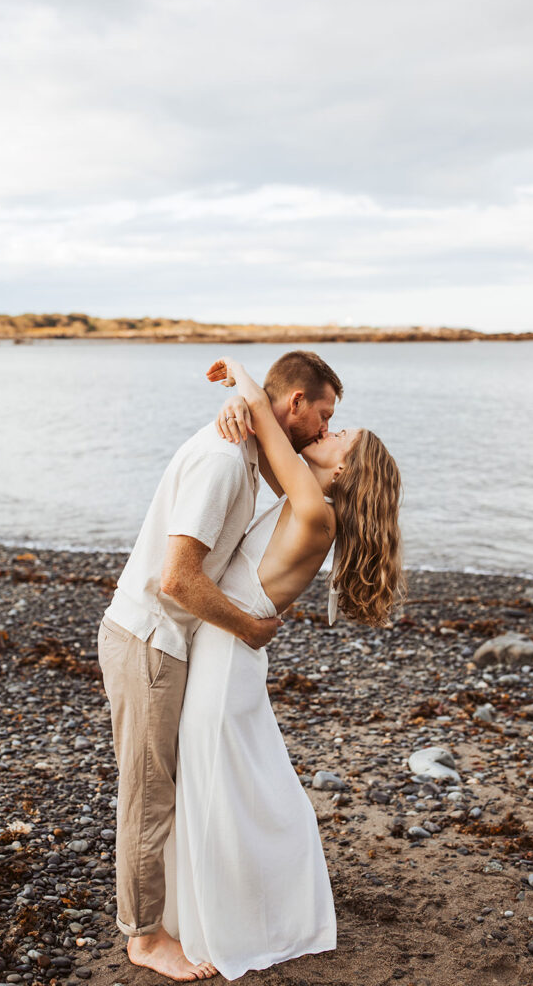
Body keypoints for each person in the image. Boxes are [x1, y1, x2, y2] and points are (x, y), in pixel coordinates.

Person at [97, 351, 343, 982]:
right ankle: (145, 938)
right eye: (324, 415)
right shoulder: (222, 461)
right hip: (152, 637)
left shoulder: (246, 454)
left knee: (167, 788)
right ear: (295, 404)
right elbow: (177, 579)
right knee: (149, 796)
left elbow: (277, 456)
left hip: (170, 643)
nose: (323, 430)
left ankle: (177, 911)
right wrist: (252, 628)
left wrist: (243, 395)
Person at [162, 356, 405, 981]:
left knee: (230, 792)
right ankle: (228, 913)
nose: (328, 431)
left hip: (228, 663)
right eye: (329, 421)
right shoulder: (303, 498)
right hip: (230, 655)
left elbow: (275, 439)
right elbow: (263, 452)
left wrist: (242, 379)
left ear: (347, 469)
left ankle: (239, 925)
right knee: (238, 788)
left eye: (340, 434)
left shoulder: (317, 513)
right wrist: (237, 409)